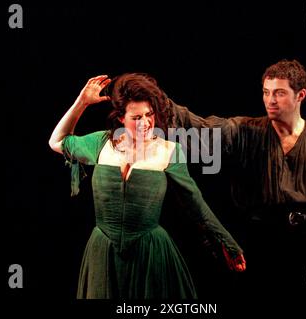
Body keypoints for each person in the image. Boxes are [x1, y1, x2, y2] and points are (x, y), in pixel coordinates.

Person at [48, 73, 246, 299]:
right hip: (103, 252)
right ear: (121, 118)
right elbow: (56, 141)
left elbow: (195, 203)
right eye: (136, 117)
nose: (145, 123)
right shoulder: (100, 143)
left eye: (149, 114)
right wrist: (81, 102)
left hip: (149, 253)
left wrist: (227, 242)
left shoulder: (169, 151)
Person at [168, 59, 306, 301]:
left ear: (300, 95)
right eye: (266, 92)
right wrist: (153, 98)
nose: (270, 100)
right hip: (256, 244)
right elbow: (198, 126)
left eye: (280, 93)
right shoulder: (245, 130)